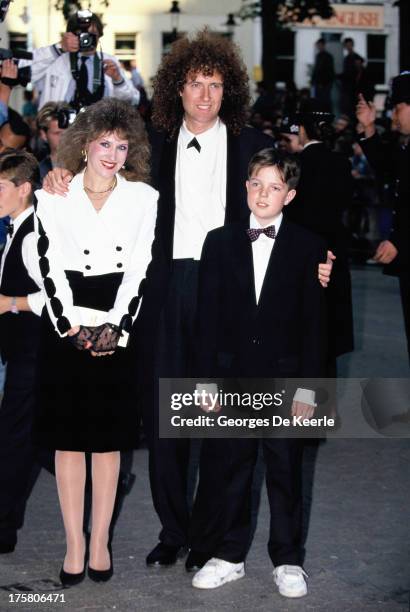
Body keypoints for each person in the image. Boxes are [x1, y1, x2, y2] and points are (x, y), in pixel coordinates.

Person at [42, 29, 332, 572]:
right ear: (177, 87)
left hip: (234, 289)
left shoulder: (250, 144)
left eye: (215, 84)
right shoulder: (150, 139)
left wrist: (320, 259)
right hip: (164, 286)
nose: (204, 95)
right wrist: (59, 172)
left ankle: (212, 537)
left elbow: (295, 206)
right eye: (195, 83)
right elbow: (99, 173)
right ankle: (173, 530)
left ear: (229, 91)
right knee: (166, 414)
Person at [33, 97, 158, 586]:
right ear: (84, 146)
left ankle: (101, 538)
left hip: (116, 325)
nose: (112, 154)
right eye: (104, 143)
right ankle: (74, 543)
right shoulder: (52, 196)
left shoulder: (144, 199)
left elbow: (142, 267)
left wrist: (117, 327)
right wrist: (70, 325)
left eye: (122, 146)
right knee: (68, 444)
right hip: (66, 324)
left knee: (108, 444)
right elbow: (46, 264)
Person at [190, 148, 326, 596]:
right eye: (256, 184)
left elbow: (314, 326)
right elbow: (206, 319)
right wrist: (205, 380)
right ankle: (229, 555)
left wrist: (309, 389)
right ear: (245, 187)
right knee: (233, 467)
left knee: (286, 470)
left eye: (274, 187)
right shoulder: (219, 241)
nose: (263, 194)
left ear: (289, 195)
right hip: (232, 377)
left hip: (287, 379)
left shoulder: (308, 247)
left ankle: (287, 559)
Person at [286, 100, 354, 373]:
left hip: (301, 258)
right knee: (327, 344)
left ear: (303, 129)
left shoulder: (296, 165)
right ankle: (327, 411)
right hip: (334, 256)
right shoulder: (342, 163)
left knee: (301, 339)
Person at [0, 150, 44, 554]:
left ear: (23, 189)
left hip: (33, 352)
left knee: (14, 438)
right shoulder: (15, 228)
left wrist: (10, 303)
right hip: (18, 350)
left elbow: (50, 298)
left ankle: (4, 527)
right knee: (30, 435)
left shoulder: (32, 234)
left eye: (0, 186)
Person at [356, 72, 410, 365]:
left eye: (398, 106)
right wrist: (368, 128)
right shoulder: (405, 145)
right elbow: (388, 167)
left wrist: (399, 241)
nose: (394, 114)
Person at [30, 10, 138, 109]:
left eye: (92, 34)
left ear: (99, 36)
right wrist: (59, 47)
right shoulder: (55, 59)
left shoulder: (110, 62)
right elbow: (22, 68)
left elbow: (132, 100)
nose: (86, 39)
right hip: (62, 128)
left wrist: (118, 80)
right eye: (82, 34)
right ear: (70, 35)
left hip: (100, 126)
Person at [36, 102, 71, 180]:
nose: (64, 137)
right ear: (44, 135)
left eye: (68, 131)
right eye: (57, 133)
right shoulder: (37, 170)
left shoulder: (84, 161)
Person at [340, 38, 362, 117]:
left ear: (352, 45)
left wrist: (357, 85)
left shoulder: (356, 57)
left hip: (354, 88)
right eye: (347, 45)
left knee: (353, 109)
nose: (348, 47)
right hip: (347, 87)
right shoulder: (346, 58)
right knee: (347, 109)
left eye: (350, 45)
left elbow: (360, 72)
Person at [311, 38, 334, 112]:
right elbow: (316, 70)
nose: (319, 47)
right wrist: (313, 80)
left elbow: (329, 71)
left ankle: (327, 118)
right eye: (318, 45)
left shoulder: (328, 56)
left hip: (325, 84)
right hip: (319, 83)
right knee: (319, 102)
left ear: (323, 45)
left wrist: (323, 83)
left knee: (325, 101)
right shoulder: (318, 56)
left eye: (320, 45)